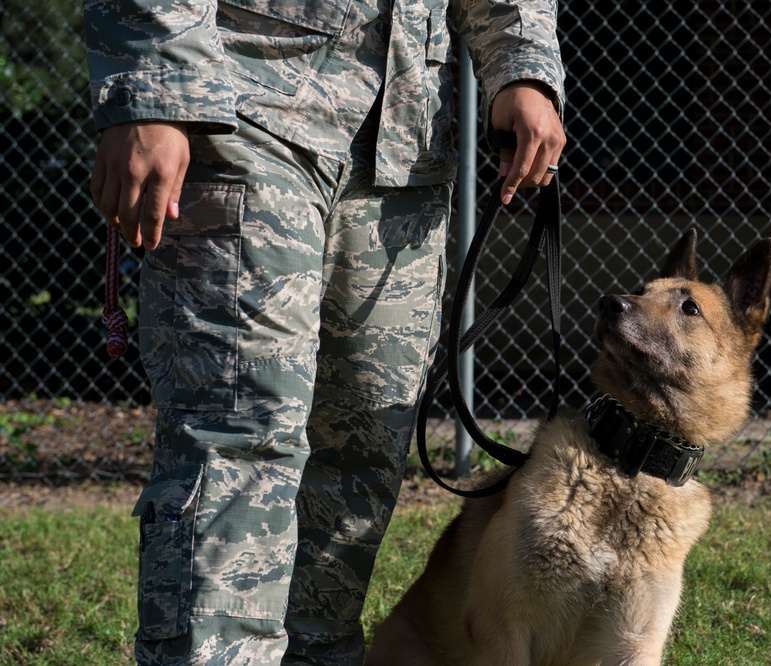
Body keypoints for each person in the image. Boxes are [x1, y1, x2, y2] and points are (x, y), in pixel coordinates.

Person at [83, 0, 565, 663]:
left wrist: (524, 68)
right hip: (244, 108)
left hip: (407, 135)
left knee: (362, 448)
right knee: (243, 431)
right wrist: (155, 94)